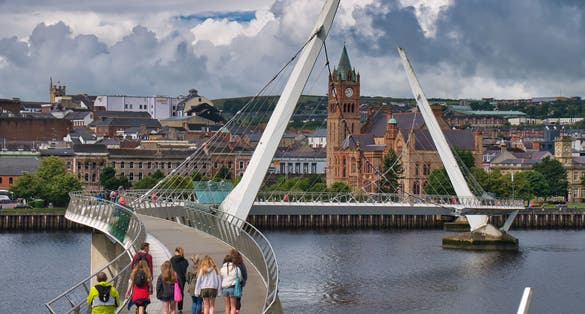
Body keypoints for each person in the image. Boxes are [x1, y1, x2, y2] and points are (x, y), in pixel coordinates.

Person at [171, 246, 189, 314]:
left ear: (176, 252)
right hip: (182, 280)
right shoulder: (185, 261)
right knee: (180, 293)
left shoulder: (172, 260)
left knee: (173, 293)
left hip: (173, 279)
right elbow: (186, 272)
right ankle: (180, 309)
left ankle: (173, 309)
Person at [229, 249, 247, 314]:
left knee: (230, 301)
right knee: (238, 299)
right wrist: (243, 282)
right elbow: (245, 276)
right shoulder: (241, 264)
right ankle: (236, 311)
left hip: (229, 285)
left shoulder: (229, 264)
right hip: (239, 284)